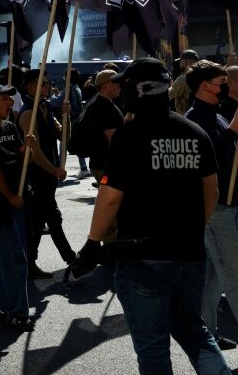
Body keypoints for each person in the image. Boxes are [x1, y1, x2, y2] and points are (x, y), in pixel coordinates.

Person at [71, 58, 230, 373]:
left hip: (143, 257)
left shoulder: (128, 136)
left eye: (125, 85)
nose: (122, 91)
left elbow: (109, 197)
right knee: (194, 331)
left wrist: (91, 244)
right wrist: (193, 229)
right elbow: (211, 191)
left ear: (139, 89)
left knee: (153, 346)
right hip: (189, 255)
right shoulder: (194, 131)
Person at [183, 60, 238, 350]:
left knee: (214, 278)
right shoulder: (193, 120)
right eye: (221, 83)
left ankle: (205, 336)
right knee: (234, 277)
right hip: (216, 210)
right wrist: (234, 130)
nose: (225, 88)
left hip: (229, 206)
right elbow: (210, 159)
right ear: (205, 86)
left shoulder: (216, 115)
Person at [0, 84, 37, 331]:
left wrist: (29, 147)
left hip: (17, 198)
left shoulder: (10, 127)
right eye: (4, 99)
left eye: (10, 99)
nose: (10, 103)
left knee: (7, 257)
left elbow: (25, 159)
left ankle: (5, 307)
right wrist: (10, 197)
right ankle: (19, 313)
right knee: (18, 258)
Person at [17, 70, 75, 279]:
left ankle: (33, 262)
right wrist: (54, 170)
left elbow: (64, 136)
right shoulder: (27, 113)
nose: (47, 87)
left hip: (48, 176)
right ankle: (70, 259)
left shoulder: (46, 108)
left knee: (44, 218)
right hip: (37, 175)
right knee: (47, 218)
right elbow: (35, 152)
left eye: (48, 84)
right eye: (43, 84)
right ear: (31, 86)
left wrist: (66, 117)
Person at [51, 69, 90, 179]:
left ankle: (60, 168)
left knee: (63, 143)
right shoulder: (77, 88)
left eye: (65, 76)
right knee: (76, 143)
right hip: (76, 119)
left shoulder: (68, 89)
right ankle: (83, 168)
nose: (63, 77)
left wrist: (53, 95)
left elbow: (56, 102)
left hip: (70, 120)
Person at [86, 69, 124, 183]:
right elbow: (113, 139)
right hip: (105, 166)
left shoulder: (106, 103)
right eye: (117, 83)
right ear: (106, 85)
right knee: (108, 192)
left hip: (104, 165)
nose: (120, 86)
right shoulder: (102, 107)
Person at [170, 49, 199, 115]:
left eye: (180, 61)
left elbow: (170, 94)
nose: (179, 64)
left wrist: (171, 84)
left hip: (186, 115)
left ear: (185, 62)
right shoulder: (202, 75)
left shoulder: (182, 78)